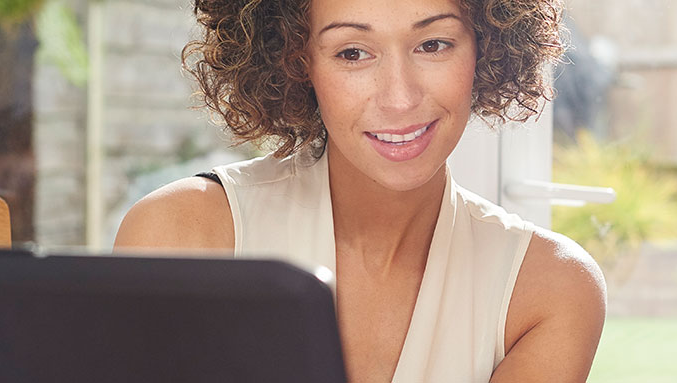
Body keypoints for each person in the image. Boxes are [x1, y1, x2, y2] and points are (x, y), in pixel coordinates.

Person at [114, 0, 606, 381]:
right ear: (296, 61)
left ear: (487, 46)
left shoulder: (549, 291)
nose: (400, 98)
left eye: (433, 44)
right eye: (353, 52)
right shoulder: (184, 236)